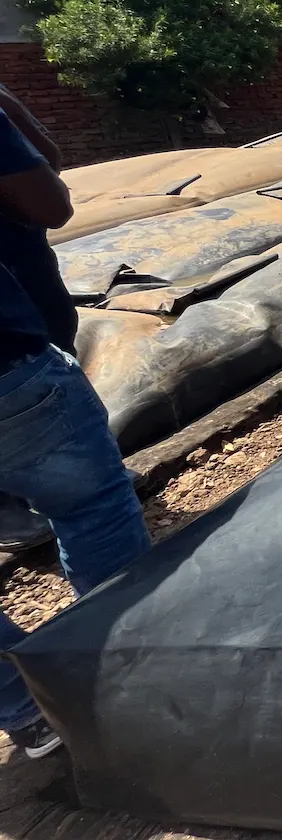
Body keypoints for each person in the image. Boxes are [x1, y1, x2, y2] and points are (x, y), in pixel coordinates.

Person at [0, 103, 151, 759]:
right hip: (9, 375)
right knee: (90, 509)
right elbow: (49, 200)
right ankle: (125, 682)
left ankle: (25, 709)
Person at [0, 87, 76, 556]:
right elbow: (55, 204)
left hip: (26, 270)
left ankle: (57, 477)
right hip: (12, 287)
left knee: (56, 336)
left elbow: (48, 158)